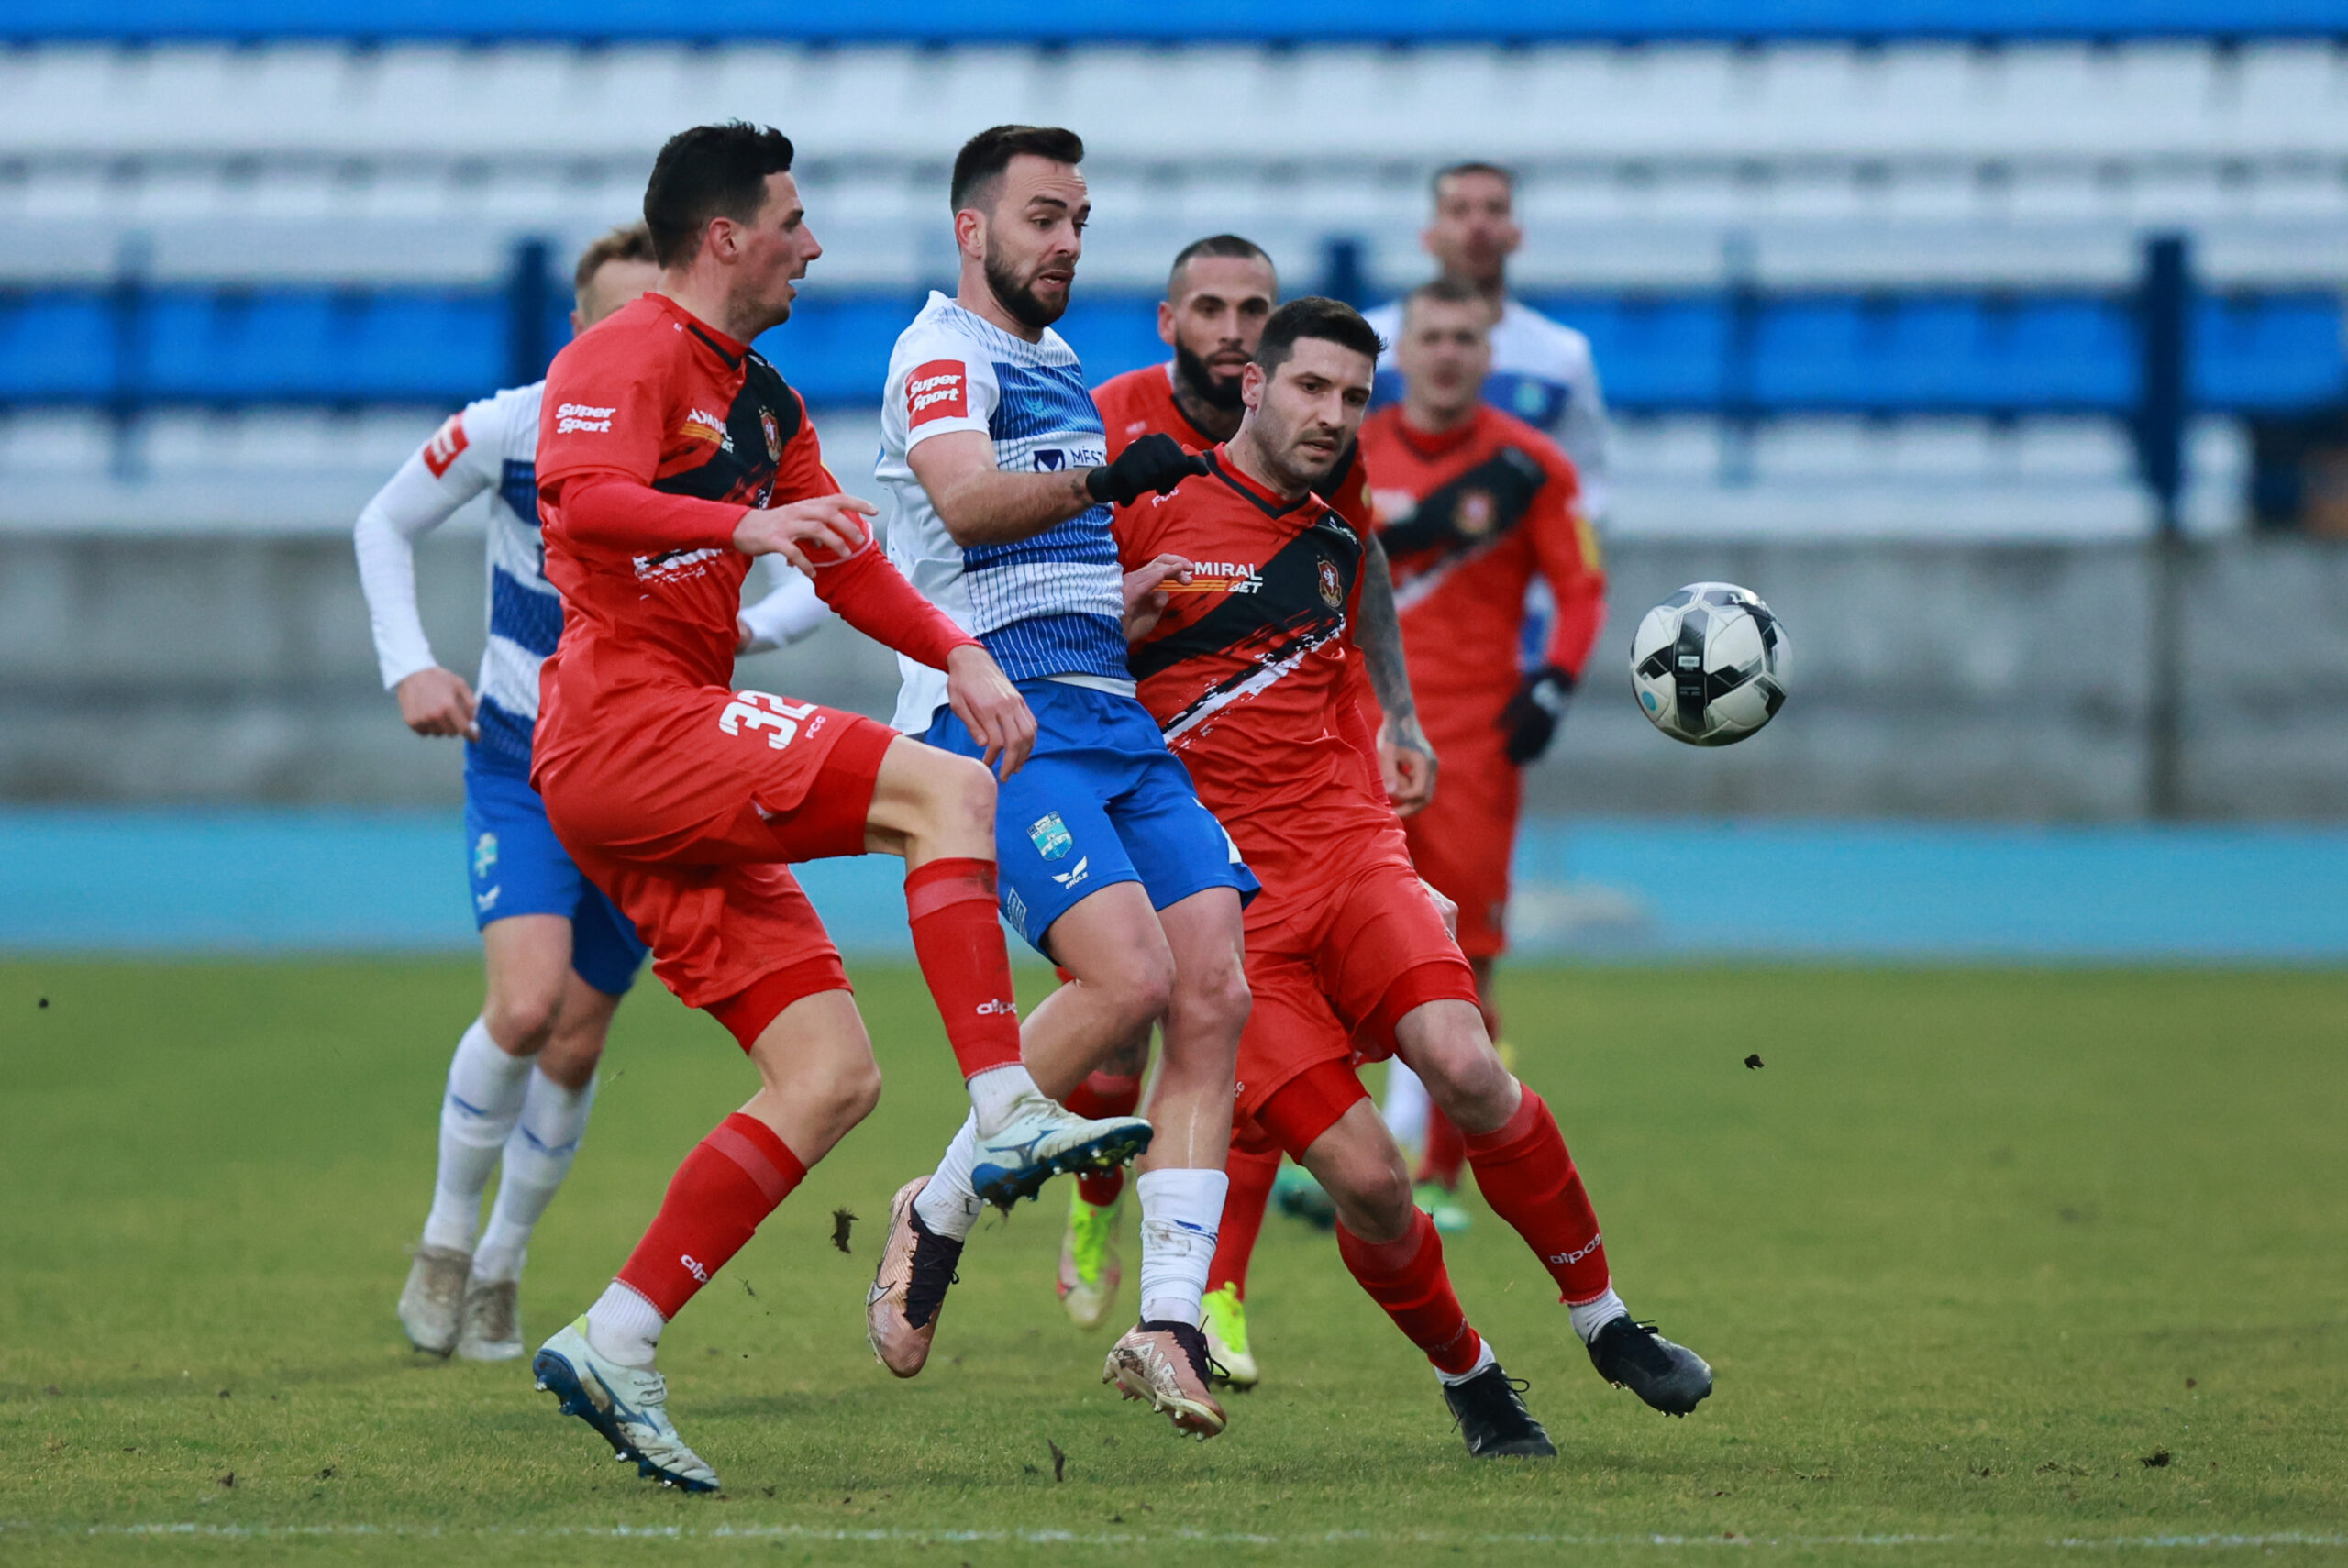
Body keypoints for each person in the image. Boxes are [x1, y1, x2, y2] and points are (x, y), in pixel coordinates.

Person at [520, 121, 1146, 1494]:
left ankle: (617, 1335)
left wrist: (961, 653)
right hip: (626, 724)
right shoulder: (621, 352)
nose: (815, 244)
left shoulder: (762, 397)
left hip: (667, 746)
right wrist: (735, 529)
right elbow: (581, 495)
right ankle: (1004, 1102)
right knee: (944, 789)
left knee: (833, 1075)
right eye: (794, 220)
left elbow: (852, 561)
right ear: (725, 234)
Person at [1118, 295, 1711, 1457]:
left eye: (1352, 397)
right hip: (1228, 916)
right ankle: (1472, 1377)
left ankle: (1604, 1321)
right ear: (1255, 385)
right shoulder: (1149, 508)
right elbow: (1064, 655)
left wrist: (1395, 708)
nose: (1333, 416)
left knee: (1465, 1066)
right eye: (1311, 389)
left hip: (1350, 854)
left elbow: (1366, 565)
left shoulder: (1337, 506)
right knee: (1372, 1184)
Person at [361, 223, 828, 1364]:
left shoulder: (721, 427)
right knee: (523, 1008)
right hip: (523, 757)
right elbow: (383, 520)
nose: (645, 342)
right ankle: (442, 1242)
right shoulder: (515, 424)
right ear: (581, 329)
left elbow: (829, 560)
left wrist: (753, 631)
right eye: (621, 320)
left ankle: (504, 1269)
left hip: (656, 763)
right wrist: (410, 663)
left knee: (574, 1044)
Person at [862, 127, 1255, 1441]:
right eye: (1043, 216)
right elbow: (967, 507)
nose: (1068, 240)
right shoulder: (940, 353)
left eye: (1079, 217)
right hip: (1002, 721)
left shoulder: (1059, 362)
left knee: (1212, 989)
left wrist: (1120, 595)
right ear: (972, 231)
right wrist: (1103, 475)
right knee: (1127, 976)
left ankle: (1169, 1320)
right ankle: (939, 1205)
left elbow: (1037, 548)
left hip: (1111, 707)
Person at [1078, 237, 1436, 1392]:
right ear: (1173, 322)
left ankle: (1201, 1291)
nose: (1235, 327)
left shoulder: (1320, 438)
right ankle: (1085, 1199)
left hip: (1300, 796)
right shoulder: (1112, 433)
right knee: (1118, 1034)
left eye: (1254, 310)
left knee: (1246, 1029)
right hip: (1145, 789)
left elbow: (1359, 561)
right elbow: (1057, 604)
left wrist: (1394, 708)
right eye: (1213, 309)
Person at [1361, 161, 1615, 1223]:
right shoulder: (1352, 444)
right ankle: (1324, 1145)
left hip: (1471, 731)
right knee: (1322, 935)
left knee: (1464, 946)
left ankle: (1442, 1170)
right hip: (1350, 728)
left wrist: (1553, 682)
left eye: (1469, 341)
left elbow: (1582, 574)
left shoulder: (1537, 456)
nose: (1451, 354)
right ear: (1402, 348)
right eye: (1434, 339)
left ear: (1490, 353)